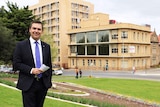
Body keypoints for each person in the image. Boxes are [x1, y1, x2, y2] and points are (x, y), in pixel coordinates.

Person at [13, 20, 52, 107]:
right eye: (34, 28)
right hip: (28, 84)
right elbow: (16, 64)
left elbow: (49, 65)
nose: (36, 31)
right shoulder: (21, 45)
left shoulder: (46, 47)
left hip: (42, 84)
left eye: (39, 29)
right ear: (30, 30)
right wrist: (31, 70)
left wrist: (48, 82)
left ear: (42, 31)